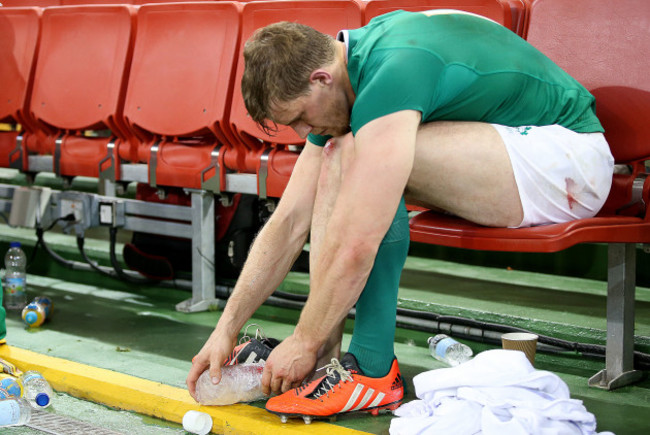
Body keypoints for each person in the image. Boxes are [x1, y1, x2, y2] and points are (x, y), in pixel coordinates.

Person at [186, 9, 614, 421]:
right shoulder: (350, 73)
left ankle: (372, 370)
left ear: (321, 79)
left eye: (299, 118)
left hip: (568, 161)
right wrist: (226, 326)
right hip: (509, 151)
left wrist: (302, 337)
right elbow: (289, 222)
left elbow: (358, 242)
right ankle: (326, 361)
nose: (303, 134)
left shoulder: (392, 72)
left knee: (358, 150)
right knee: (342, 147)